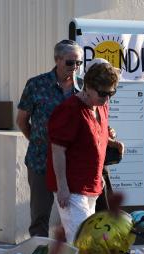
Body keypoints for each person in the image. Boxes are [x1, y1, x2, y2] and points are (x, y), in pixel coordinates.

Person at [46, 59, 121, 242]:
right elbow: (57, 150)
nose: (107, 98)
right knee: (82, 241)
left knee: (89, 242)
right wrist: (62, 186)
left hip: (92, 184)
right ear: (87, 86)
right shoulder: (69, 110)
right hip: (72, 188)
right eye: (103, 93)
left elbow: (93, 135)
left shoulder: (102, 106)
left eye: (112, 93)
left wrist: (111, 142)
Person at [17, 39, 83, 237]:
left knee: (76, 216)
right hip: (41, 161)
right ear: (57, 59)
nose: (75, 67)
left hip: (73, 163)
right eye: (70, 62)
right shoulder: (36, 85)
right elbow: (21, 120)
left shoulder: (83, 90)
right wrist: (37, 141)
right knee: (39, 216)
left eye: (79, 63)